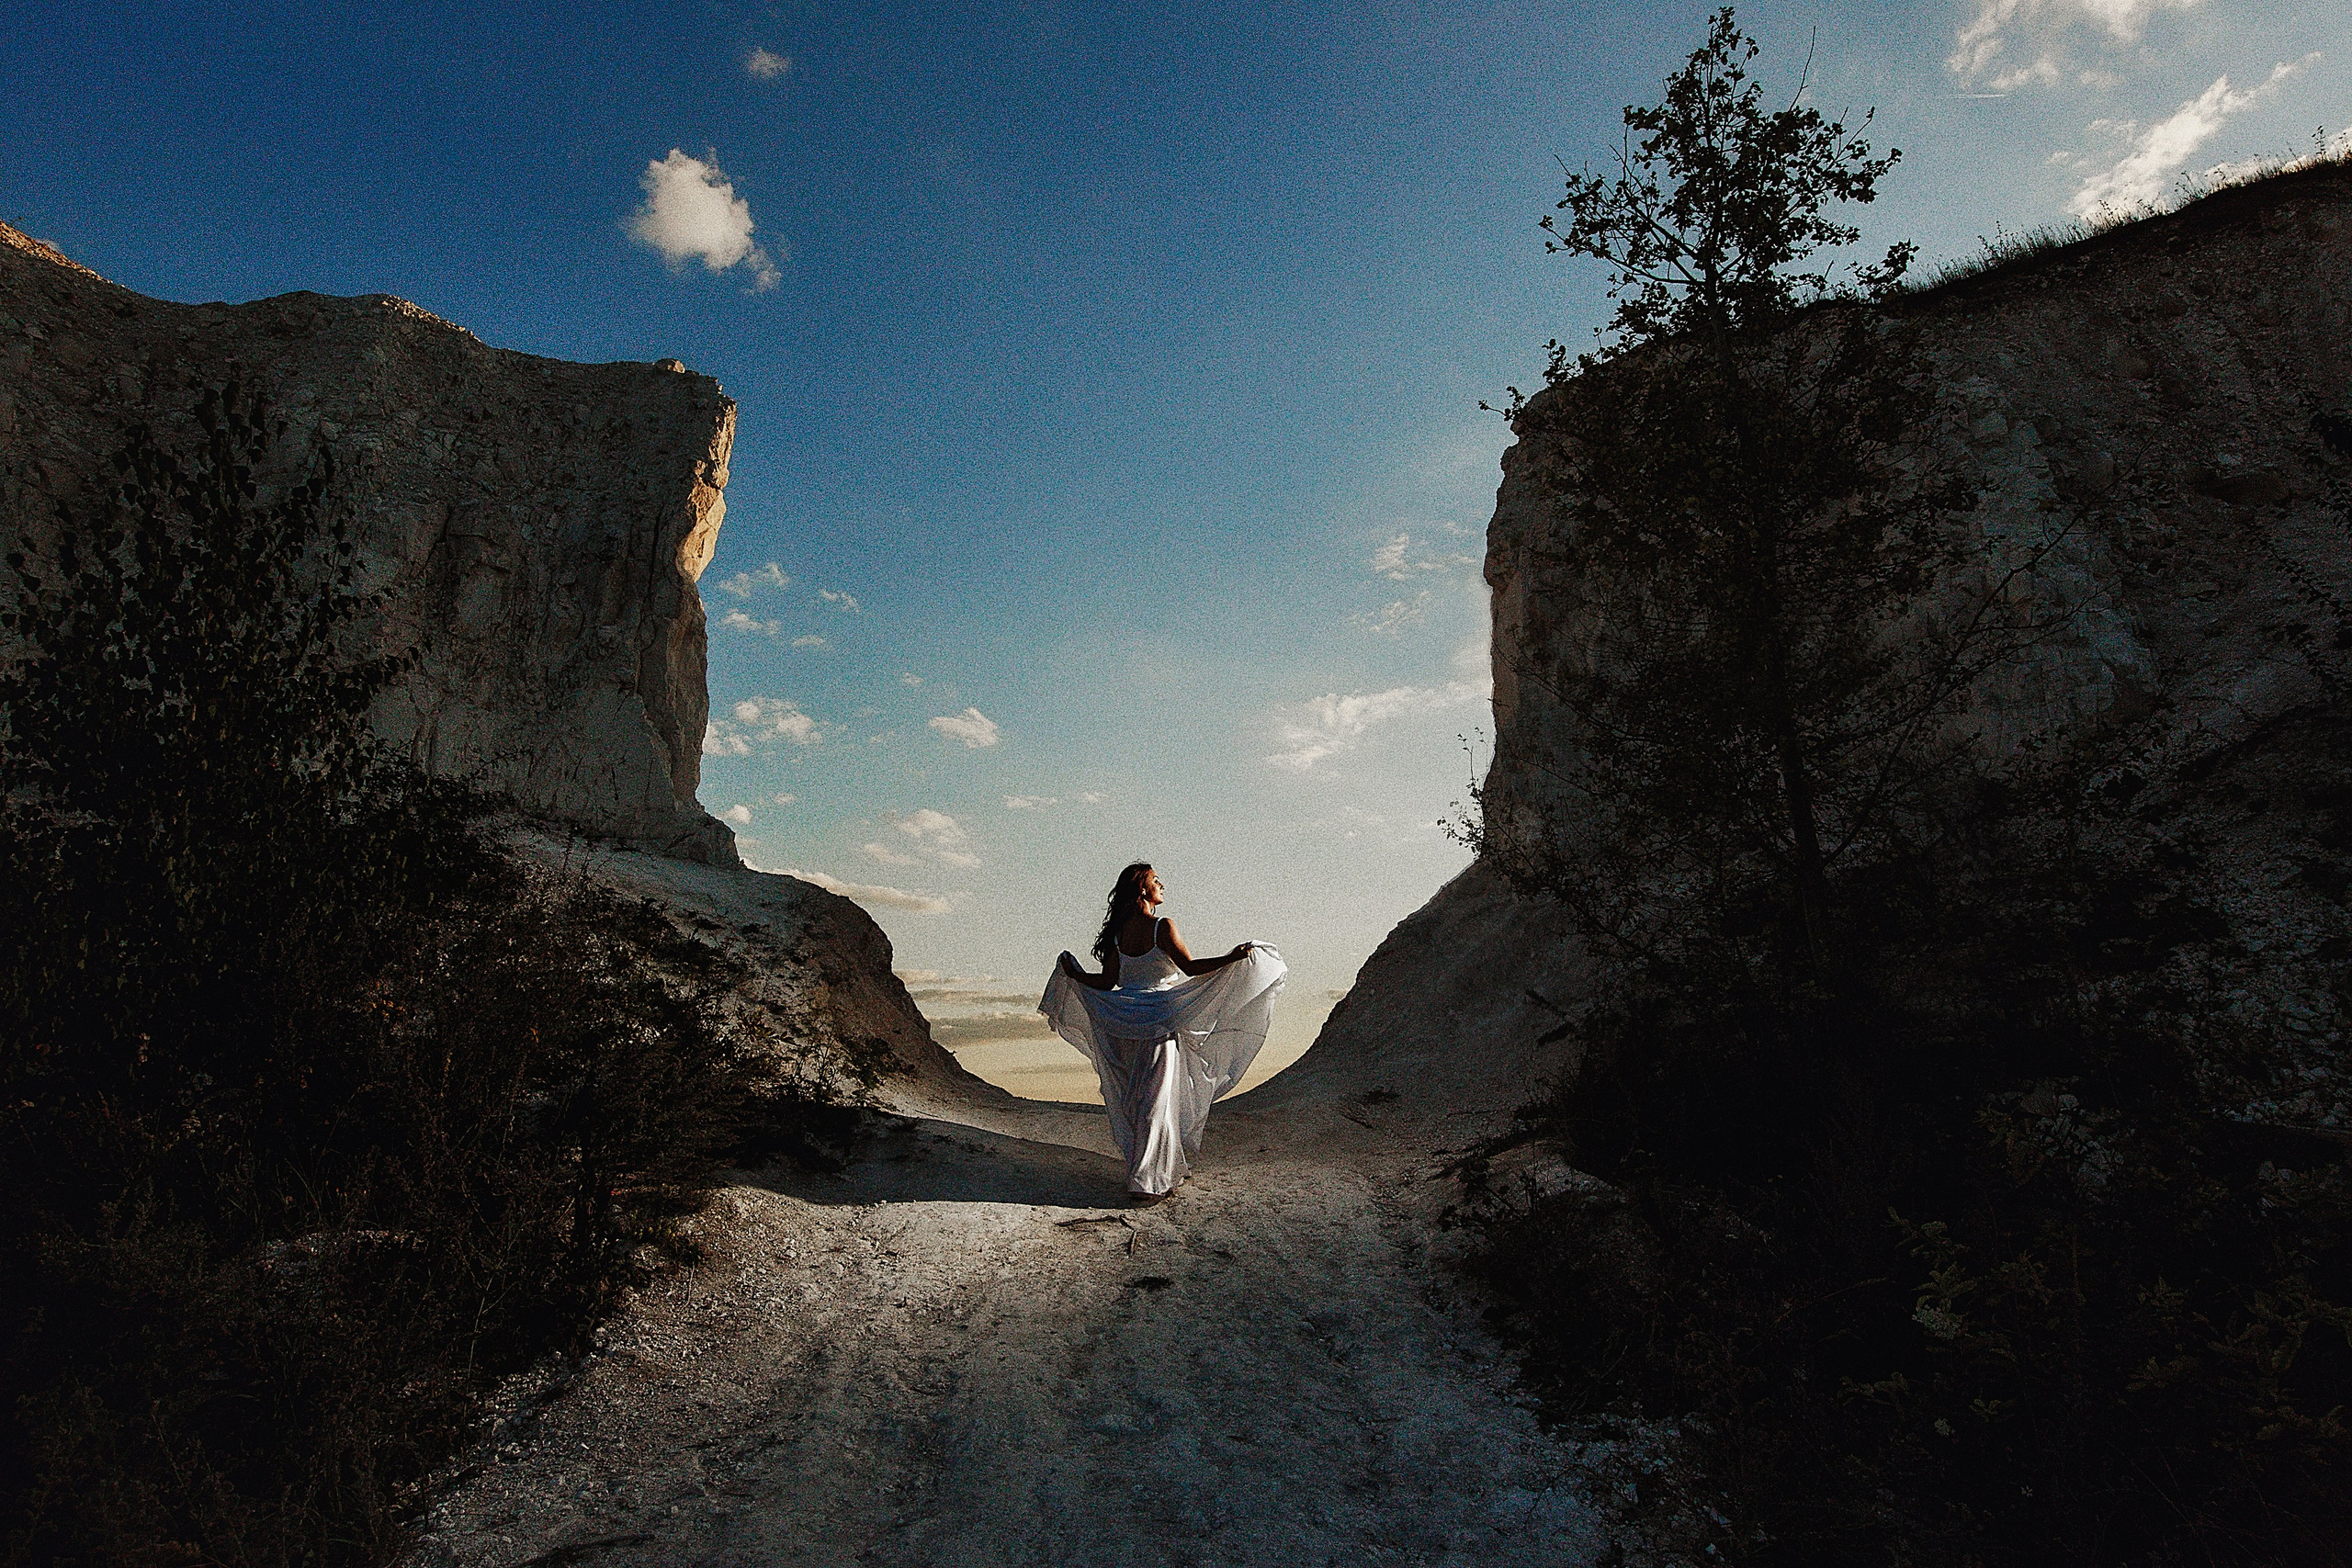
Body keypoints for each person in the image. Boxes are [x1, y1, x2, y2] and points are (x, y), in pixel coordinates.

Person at [1038, 862, 1286, 1202]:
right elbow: (1191, 968)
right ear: (1143, 888)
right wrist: (1230, 958)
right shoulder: (1162, 927)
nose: (1162, 885)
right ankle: (1144, 1182)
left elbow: (1106, 982)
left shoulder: (1117, 933)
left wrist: (1074, 974)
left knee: (1137, 1101)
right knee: (1156, 1103)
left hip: (1121, 1021)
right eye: (1156, 880)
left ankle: (1155, 1172)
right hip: (1156, 1023)